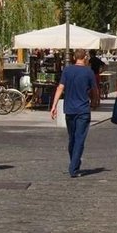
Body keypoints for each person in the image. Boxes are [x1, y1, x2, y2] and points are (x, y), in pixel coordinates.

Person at [49, 49, 98, 178]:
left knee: (72, 138)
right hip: (83, 109)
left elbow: (60, 87)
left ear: (74, 58)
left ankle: (74, 162)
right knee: (80, 139)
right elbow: (94, 90)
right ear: (85, 57)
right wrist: (95, 101)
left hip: (69, 109)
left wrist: (54, 105)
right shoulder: (88, 72)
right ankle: (74, 168)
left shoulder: (67, 70)